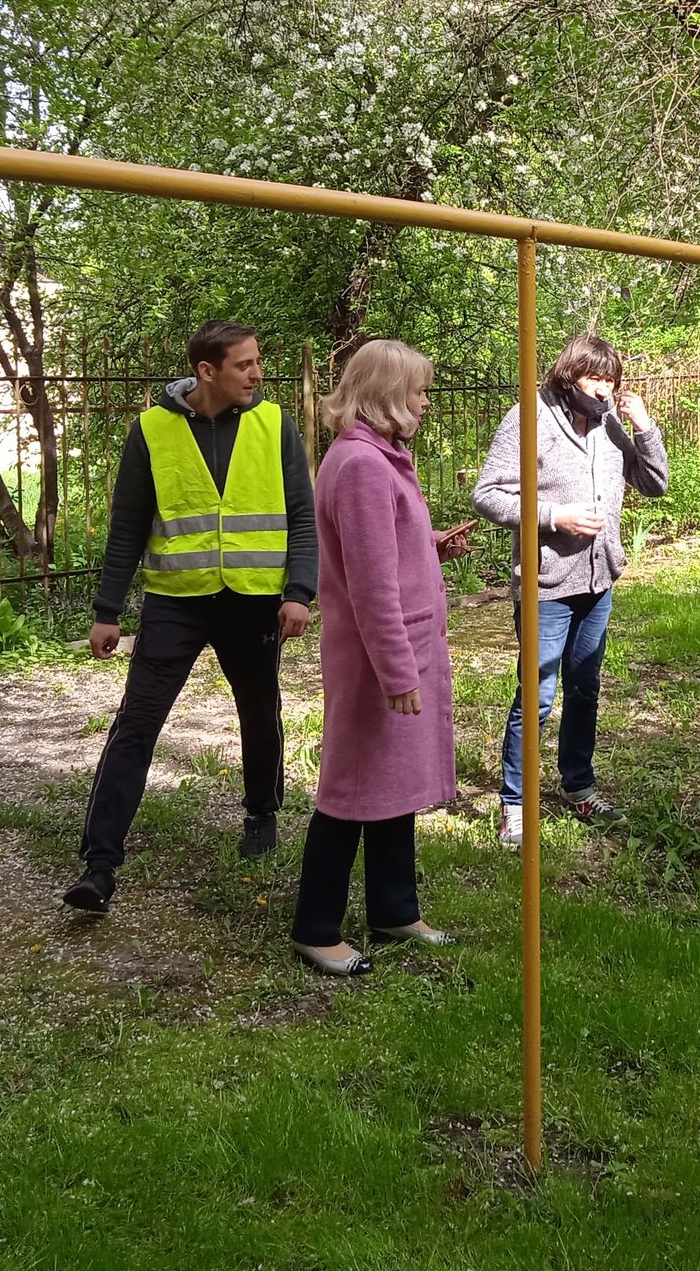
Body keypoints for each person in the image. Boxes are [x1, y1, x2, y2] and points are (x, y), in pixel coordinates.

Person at [63, 320, 317, 914]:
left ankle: (261, 813)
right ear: (207, 371)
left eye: (258, 361)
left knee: (260, 713)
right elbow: (128, 525)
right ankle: (100, 865)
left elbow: (303, 516)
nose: (257, 373)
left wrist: (299, 592)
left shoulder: (275, 424)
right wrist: (107, 611)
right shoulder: (151, 430)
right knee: (136, 723)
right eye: (244, 364)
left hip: (253, 600)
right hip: (175, 602)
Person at [290, 339, 473, 976]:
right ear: (388, 395)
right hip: (378, 659)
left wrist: (429, 545)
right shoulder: (363, 465)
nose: (425, 402)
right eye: (419, 391)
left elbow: (382, 551)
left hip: (396, 649)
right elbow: (368, 585)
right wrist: (398, 671)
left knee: (391, 783)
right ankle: (316, 928)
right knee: (351, 789)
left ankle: (394, 909)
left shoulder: (378, 456)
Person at [472, 333, 669, 846]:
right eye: (595, 378)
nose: (604, 390)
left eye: (611, 380)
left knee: (585, 687)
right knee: (538, 696)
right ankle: (516, 803)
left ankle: (578, 785)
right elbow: (487, 495)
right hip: (547, 585)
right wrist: (553, 516)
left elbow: (654, 483)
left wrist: (644, 427)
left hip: (599, 581)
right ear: (568, 376)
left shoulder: (608, 423)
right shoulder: (530, 418)